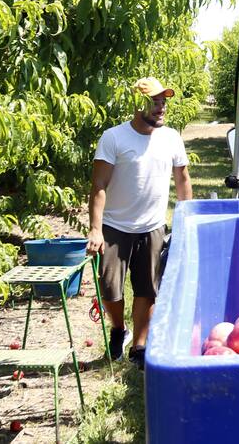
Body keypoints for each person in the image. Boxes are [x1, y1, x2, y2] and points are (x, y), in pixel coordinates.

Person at [86, 77, 192, 369]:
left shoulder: (171, 138)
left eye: (163, 102)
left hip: (153, 225)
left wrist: (186, 218)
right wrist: (95, 229)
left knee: (148, 288)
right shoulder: (114, 137)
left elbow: (182, 180)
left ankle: (139, 346)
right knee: (110, 288)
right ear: (137, 104)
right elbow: (99, 185)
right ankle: (119, 329)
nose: (161, 107)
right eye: (154, 102)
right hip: (114, 226)